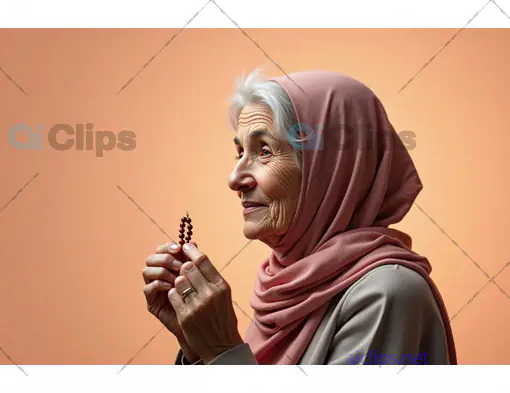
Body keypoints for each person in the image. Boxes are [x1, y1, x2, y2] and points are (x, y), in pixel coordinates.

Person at [141, 68, 457, 365]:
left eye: (264, 151)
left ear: (332, 168)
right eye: (240, 153)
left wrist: (222, 351)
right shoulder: (286, 288)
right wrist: (197, 347)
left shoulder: (388, 293)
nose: (235, 178)